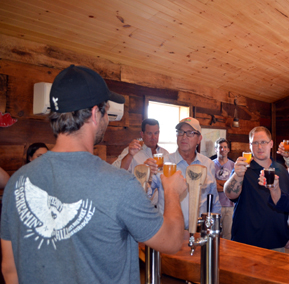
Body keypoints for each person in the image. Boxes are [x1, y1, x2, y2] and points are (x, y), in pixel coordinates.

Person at [0, 65, 187, 283]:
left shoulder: (17, 182)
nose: (108, 118)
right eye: (106, 110)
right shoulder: (119, 184)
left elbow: (9, 269)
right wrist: (172, 191)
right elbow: (172, 241)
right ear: (95, 113)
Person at [224, 126, 289, 251]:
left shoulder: (282, 170)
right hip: (246, 242)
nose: (259, 147)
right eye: (255, 143)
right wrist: (237, 175)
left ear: (271, 144)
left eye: (263, 142)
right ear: (250, 145)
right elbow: (230, 194)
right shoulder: (242, 169)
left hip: (277, 241)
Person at [149, 117, 221, 229]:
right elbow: (144, 195)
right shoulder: (163, 163)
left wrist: (215, 229)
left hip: (199, 231)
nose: (184, 137)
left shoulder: (208, 164)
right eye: (180, 132)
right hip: (168, 230)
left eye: (190, 133)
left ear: (199, 139)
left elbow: (214, 202)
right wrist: (146, 177)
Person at [213, 138, 235, 240]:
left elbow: (234, 186)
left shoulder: (233, 165)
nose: (223, 149)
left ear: (228, 149)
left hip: (230, 205)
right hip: (215, 205)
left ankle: (227, 255)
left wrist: (218, 182)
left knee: (228, 235)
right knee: (214, 235)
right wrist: (227, 184)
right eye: (220, 147)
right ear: (216, 149)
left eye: (225, 147)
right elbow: (212, 185)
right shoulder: (211, 164)